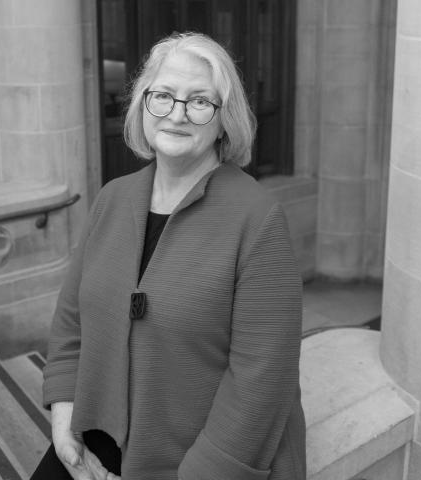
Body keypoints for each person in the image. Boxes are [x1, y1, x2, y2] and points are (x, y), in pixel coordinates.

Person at [31, 32, 306, 480]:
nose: (177, 114)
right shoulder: (112, 199)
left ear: (224, 120)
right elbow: (70, 327)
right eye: (163, 96)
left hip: (203, 458)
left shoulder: (259, 219)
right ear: (143, 105)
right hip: (98, 430)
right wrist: (64, 423)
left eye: (200, 101)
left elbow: (262, 381)